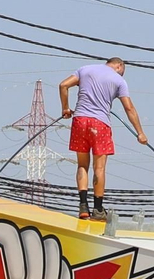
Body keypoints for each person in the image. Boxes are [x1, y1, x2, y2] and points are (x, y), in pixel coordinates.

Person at [58, 57, 147, 221]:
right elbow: (129, 108)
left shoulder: (85, 70)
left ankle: (83, 206)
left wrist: (65, 108)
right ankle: (98, 209)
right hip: (100, 124)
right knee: (99, 168)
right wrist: (140, 133)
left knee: (82, 165)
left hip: (80, 121)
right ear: (119, 66)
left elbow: (63, 85)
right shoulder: (118, 80)